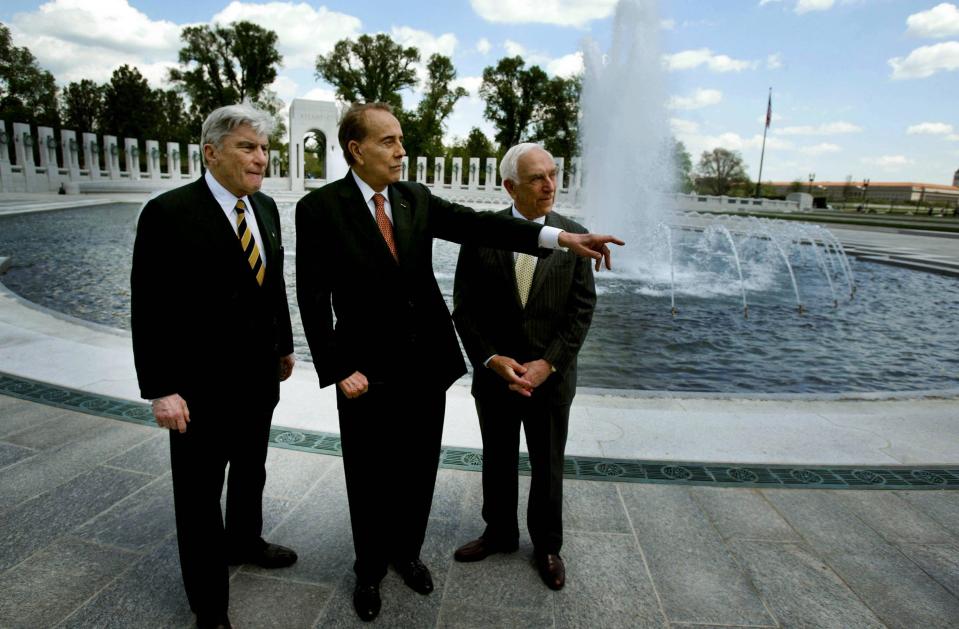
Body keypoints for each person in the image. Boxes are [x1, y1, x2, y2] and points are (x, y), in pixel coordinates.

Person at [295, 102, 622, 622]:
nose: (402, 151)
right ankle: (369, 569)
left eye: (401, 140)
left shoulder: (414, 198)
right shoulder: (319, 210)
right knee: (369, 473)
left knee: (419, 467)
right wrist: (336, 368)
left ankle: (407, 553)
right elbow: (312, 297)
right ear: (356, 150)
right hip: (364, 372)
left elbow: (481, 227)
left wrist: (561, 237)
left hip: (426, 363)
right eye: (388, 142)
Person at [131, 103, 297, 629]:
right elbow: (148, 307)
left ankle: (245, 541)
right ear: (211, 152)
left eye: (265, 149)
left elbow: (272, 287)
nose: (261, 158)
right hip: (198, 391)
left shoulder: (265, 209)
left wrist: (284, 345)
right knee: (200, 499)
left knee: (251, 471)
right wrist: (161, 389)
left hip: (256, 379)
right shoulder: (169, 213)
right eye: (248, 147)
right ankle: (210, 605)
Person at [451, 143, 595, 590]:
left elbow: (581, 310)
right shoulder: (482, 233)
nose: (549, 184)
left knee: (548, 463)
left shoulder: (575, 236)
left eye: (552, 174)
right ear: (510, 185)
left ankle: (548, 546)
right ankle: (499, 533)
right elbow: (465, 308)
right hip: (497, 377)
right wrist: (493, 359)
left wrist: (547, 365)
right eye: (537, 177)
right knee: (497, 458)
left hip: (550, 380)